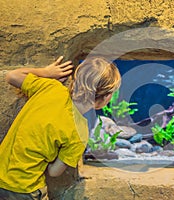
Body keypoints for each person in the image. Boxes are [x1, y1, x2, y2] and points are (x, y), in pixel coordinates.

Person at [0, 56, 121, 200]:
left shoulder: (50, 88)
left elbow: (11, 76)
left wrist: (46, 72)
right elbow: (53, 172)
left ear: (75, 79)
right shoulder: (80, 132)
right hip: (25, 189)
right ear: (106, 97)